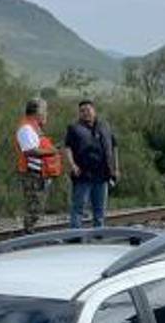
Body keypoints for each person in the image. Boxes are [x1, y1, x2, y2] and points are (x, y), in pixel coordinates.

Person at [63, 99, 118, 228]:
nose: (85, 113)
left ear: (94, 110)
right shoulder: (74, 128)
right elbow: (67, 148)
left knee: (100, 209)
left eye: (88, 110)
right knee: (78, 207)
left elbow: (114, 147)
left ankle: (99, 234)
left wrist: (116, 168)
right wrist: (72, 165)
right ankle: (75, 235)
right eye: (82, 111)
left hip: (103, 174)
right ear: (79, 114)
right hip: (83, 174)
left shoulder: (105, 126)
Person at [14, 98, 61, 233]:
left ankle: (30, 232)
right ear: (37, 112)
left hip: (40, 174)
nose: (46, 114)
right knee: (34, 207)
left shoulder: (34, 127)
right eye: (44, 110)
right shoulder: (26, 128)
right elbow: (30, 151)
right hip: (32, 175)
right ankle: (28, 235)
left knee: (37, 206)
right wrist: (53, 151)